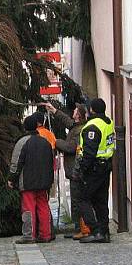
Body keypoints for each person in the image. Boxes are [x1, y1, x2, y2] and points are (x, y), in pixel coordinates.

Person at [41, 102, 92, 239]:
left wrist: (55, 141)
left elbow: (70, 147)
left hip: (76, 169)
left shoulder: (80, 130)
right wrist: (54, 110)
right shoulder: (77, 126)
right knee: (76, 199)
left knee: (77, 200)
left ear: (78, 115)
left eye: (75, 110)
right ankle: (78, 227)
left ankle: (79, 227)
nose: (73, 112)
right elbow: (68, 122)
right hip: (73, 168)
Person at [71, 98, 116, 244]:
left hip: (94, 167)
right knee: (100, 200)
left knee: (82, 199)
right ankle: (104, 231)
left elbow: (89, 152)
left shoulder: (92, 127)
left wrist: (82, 170)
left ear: (92, 110)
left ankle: (96, 230)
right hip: (105, 165)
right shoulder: (108, 122)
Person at [9, 114, 55, 244]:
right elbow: (50, 162)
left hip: (28, 181)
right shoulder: (45, 142)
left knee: (28, 208)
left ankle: (29, 235)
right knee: (43, 206)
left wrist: (12, 178)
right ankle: (45, 235)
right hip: (44, 181)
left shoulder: (22, 142)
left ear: (25, 127)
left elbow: (16, 162)